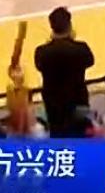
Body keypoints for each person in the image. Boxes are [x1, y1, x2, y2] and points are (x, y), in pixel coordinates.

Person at [33, 7, 95, 137]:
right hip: (78, 102)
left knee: (58, 136)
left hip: (54, 106)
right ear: (69, 25)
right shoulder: (80, 49)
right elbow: (90, 61)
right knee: (81, 136)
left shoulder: (42, 52)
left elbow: (39, 66)